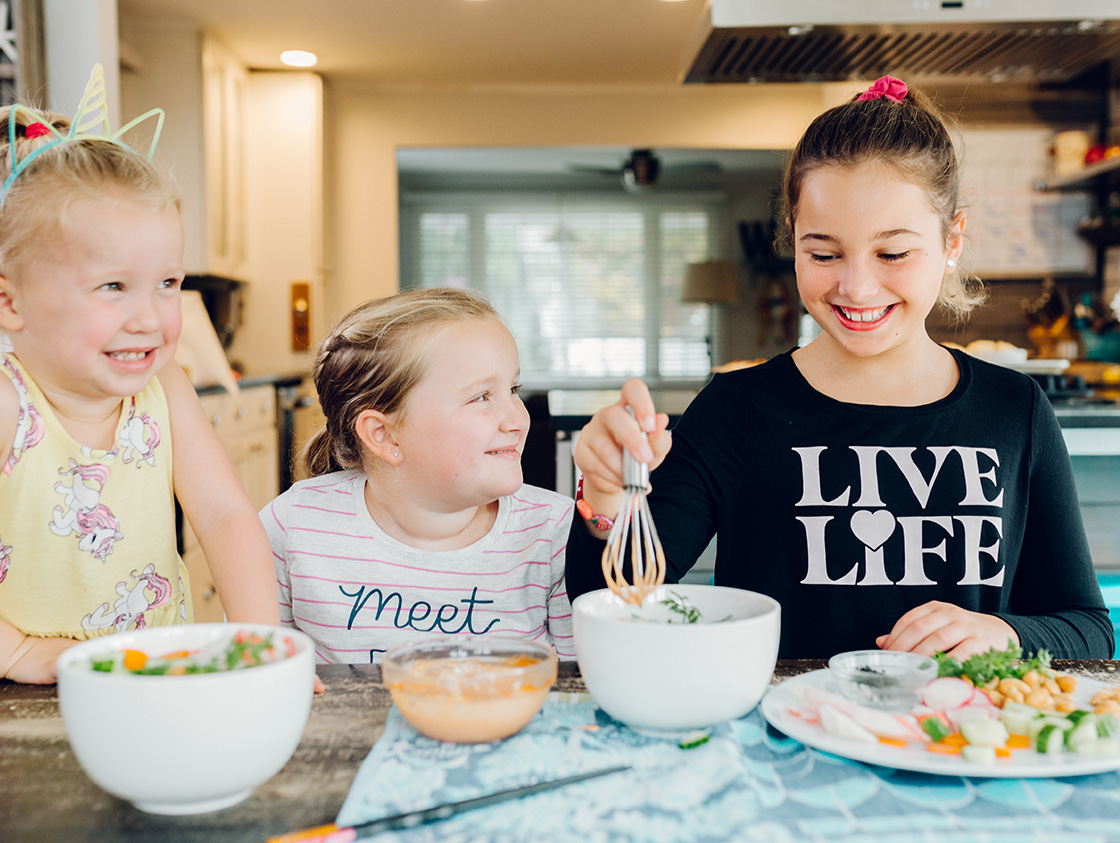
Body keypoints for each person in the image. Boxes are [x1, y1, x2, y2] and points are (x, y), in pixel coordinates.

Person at [567, 75, 1114, 662]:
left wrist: (1006, 634)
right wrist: (607, 499)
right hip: (781, 743)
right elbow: (608, 600)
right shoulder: (737, 409)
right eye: (823, 254)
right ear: (794, 240)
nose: (856, 287)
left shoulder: (1015, 410)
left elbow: (1088, 629)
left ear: (953, 238)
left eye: (893, 253)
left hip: (957, 743)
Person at [0, 80, 280, 683]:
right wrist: (13, 654)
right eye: (113, 286)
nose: (151, 317)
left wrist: (264, 650)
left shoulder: (164, 387)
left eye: (167, 283)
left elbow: (223, 515)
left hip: (145, 684)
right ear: (7, 300)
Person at [260, 288, 575, 664]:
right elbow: (260, 677)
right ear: (384, 435)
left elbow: (583, 688)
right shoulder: (292, 527)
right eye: (481, 397)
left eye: (512, 389)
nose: (518, 419)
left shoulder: (552, 532)